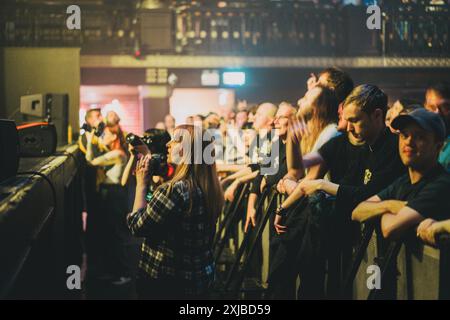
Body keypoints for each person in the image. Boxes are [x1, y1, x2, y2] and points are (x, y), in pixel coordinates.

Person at [127, 125, 224, 299]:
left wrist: (141, 184)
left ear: (189, 150)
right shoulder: (210, 188)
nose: (168, 144)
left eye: (176, 140)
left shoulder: (176, 191)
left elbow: (137, 227)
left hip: (166, 283)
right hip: (199, 280)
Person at [352, 108, 450, 240]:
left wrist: (381, 211)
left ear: (438, 146)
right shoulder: (404, 181)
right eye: (404, 135)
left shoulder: (441, 185)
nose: (408, 141)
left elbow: (389, 228)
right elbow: (358, 211)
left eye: (420, 137)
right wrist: (390, 205)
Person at [85, 124, 130, 282]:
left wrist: (90, 142)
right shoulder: (115, 152)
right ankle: (116, 272)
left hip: (114, 195)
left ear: (114, 137)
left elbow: (90, 161)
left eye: (105, 135)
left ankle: (124, 274)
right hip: (112, 195)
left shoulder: (117, 154)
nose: (102, 137)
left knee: (116, 233)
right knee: (112, 233)